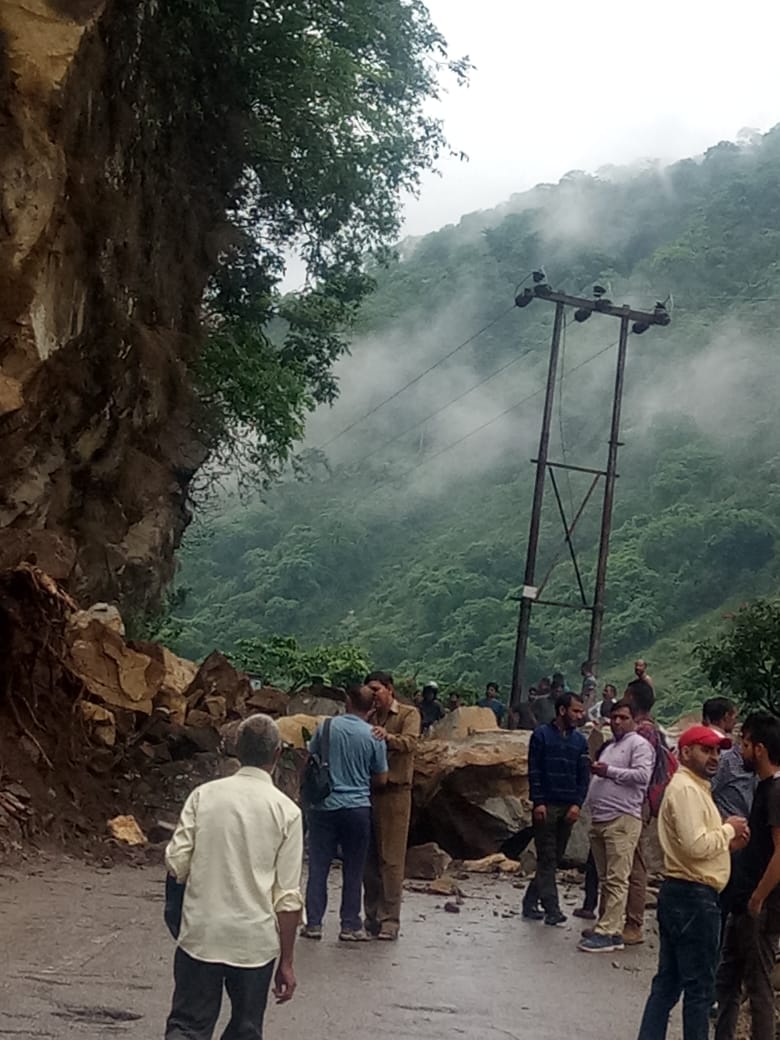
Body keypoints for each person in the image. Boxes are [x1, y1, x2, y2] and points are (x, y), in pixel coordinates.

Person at [164, 714, 303, 1040]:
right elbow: (287, 899)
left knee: (187, 1026)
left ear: (237, 750)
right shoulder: (288, 812)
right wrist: (287, 961)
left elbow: (177, 861)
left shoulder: (203, 796)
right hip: (253, 944)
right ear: (277, 753)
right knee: (246, 1028)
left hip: (203, 933)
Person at [636, 725, 749, 1040]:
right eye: (706, 750)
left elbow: (697, 845)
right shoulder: (686, 789)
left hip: (685, 894)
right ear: (685, 752)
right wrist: (728, 830)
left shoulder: (697, 787)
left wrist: (727, 842)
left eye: (716, 751)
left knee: (669, 982)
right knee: (699, 988)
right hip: (693, 897)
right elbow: (694, 846)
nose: (714, 757)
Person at [301, 685, 388, 942]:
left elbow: (311, 759)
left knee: (318, 867)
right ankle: (349, 925)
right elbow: (382, 778)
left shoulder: (326, 727)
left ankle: (314, 923)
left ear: (348, 702)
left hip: (324, 807)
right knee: (354, 868)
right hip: (358, 809)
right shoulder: (374, 736)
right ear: (371, 707)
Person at [715, 712, 780, 1040]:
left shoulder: (776, 791)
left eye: (745, 743)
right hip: (744, 902)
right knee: (727, 981)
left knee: (758, 988)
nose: (741, 750)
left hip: (761, 907)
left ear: (760, 749)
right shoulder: (764, 788)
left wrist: (758, 897)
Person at [578, 700, 654, 952]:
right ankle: (609, 924)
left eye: (623, 717)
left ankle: (609, 930)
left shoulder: (639, 745)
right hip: (601, 818)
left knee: (618, 877)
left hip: (622, 818)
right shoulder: (610, 746)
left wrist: (609, 771)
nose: (617, 722)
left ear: (634, 720)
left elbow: (643, 776)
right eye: (614, 717)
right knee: (605, 878)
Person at [523, 691, 589, 926]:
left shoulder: (580, 742)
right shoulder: (540, 735)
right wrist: (538, 801)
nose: (580, 716)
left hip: (568, 807)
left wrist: (577, 804)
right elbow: (534, 771)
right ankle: (552, 909)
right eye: (576, 711)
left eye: (581, 711)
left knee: (553, 858)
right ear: (562, 711)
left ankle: (530, 901)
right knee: (548, 857)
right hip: (546, 806)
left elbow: (584, 777)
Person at [363, 670, 420, 940]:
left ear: (389, 689)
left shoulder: (408, 715)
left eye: (376, 690)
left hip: (396, 793)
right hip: (369, 791)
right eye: (369, 691)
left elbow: (410, 743)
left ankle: (390, 920)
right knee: (369, 859)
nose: (372, 695)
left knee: (392, 860)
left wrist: (387, 737)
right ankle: (371, 915)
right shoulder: (368, 715)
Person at [623, 678, 662, 945]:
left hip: (637, 803)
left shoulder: (644, 733)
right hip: (633, 803)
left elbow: (639, 773)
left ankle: (634, 923)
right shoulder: (647, 729)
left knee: (634, 862)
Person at [704, 697, 756, 822]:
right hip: (732, 826)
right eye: (735, 717)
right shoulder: (727, 755)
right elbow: (707, 790)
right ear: (726, 716)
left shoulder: (699, 746)